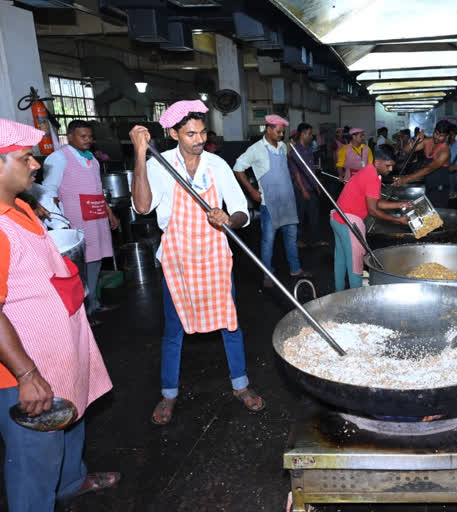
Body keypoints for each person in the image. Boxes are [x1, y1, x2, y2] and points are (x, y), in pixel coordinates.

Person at [0, 118, 119, 509]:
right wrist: (27, 375)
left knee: (70, 419)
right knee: (35, 458)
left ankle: (70, 483)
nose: (35, 164)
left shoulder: (19, 205)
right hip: (23, 368)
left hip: (57, 348)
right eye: (25, 158)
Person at [129, 100, 266, 425]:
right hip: (178, 259)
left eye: (202, 132)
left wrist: (228, 219)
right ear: (174, 133)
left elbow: (242, 211)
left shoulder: (217, 165)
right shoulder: (160, 165)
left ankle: (240, 385)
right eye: (191, 133)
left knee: (229, 324)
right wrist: (140, 154)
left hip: (214, 256)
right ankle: (169, 393)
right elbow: (143, 206)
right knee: (173, 330)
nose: (198, 139)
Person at [42, 120, 119, 320]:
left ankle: (94, 302)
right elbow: (49, 191)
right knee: (79, 265)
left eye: (90, 137)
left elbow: (97, 189)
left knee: (96, 260)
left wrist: (109, 212)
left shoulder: (92, 158)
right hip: (75, 219)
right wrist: (60, 221)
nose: (88, 140)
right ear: (70, 136)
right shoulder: (58, 158)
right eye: (82, 136)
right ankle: (83, 311)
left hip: (96, 217)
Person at [233, 114, 310, 289]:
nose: (281, 135)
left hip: (288, 201)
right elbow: (238, 168)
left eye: (283, 132)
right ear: (268, 129)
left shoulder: (283, 146)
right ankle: (267, 273)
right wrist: (252, 190)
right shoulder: (256, 149)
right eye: (278, 132)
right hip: (270, 203)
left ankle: (295, 269)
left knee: (291, 238)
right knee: (268, 240)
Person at [331, 145, 411, 291]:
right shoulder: (372, 177)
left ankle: (338, 294)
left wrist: (401, 204)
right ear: (378, 162)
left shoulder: (369, 171)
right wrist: (398, 220)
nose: (390, 170)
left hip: (337, 217)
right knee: (356, 265)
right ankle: (357, 299)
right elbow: (373, 210)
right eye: (388, 166)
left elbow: (375, 201)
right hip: (349, 221)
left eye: (392, 166)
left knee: (341, 261)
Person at [393, 120, 452, 208]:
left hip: (440, 190)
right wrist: (415, 140)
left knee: (437, 218)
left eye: (441, 136)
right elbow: (406, 150)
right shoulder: (427, 141)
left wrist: (406, 179)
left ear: (447, 136)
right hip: (429, 187)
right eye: (436, 133)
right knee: (429, 217)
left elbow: (429, 168)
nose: (437, 137)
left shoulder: (445, 151)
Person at [288, 123, 327, 248]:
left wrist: (316, 185)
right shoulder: (295, 151)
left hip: (311, 187)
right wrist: (303, 189)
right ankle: (297, 240)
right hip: (301, 188)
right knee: (300, 216)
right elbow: (296, 172)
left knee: (314, 215)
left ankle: (316, 239)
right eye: (309, 134)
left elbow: (311, 169)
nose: (311, 136)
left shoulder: (309, 148)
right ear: (303, 134)